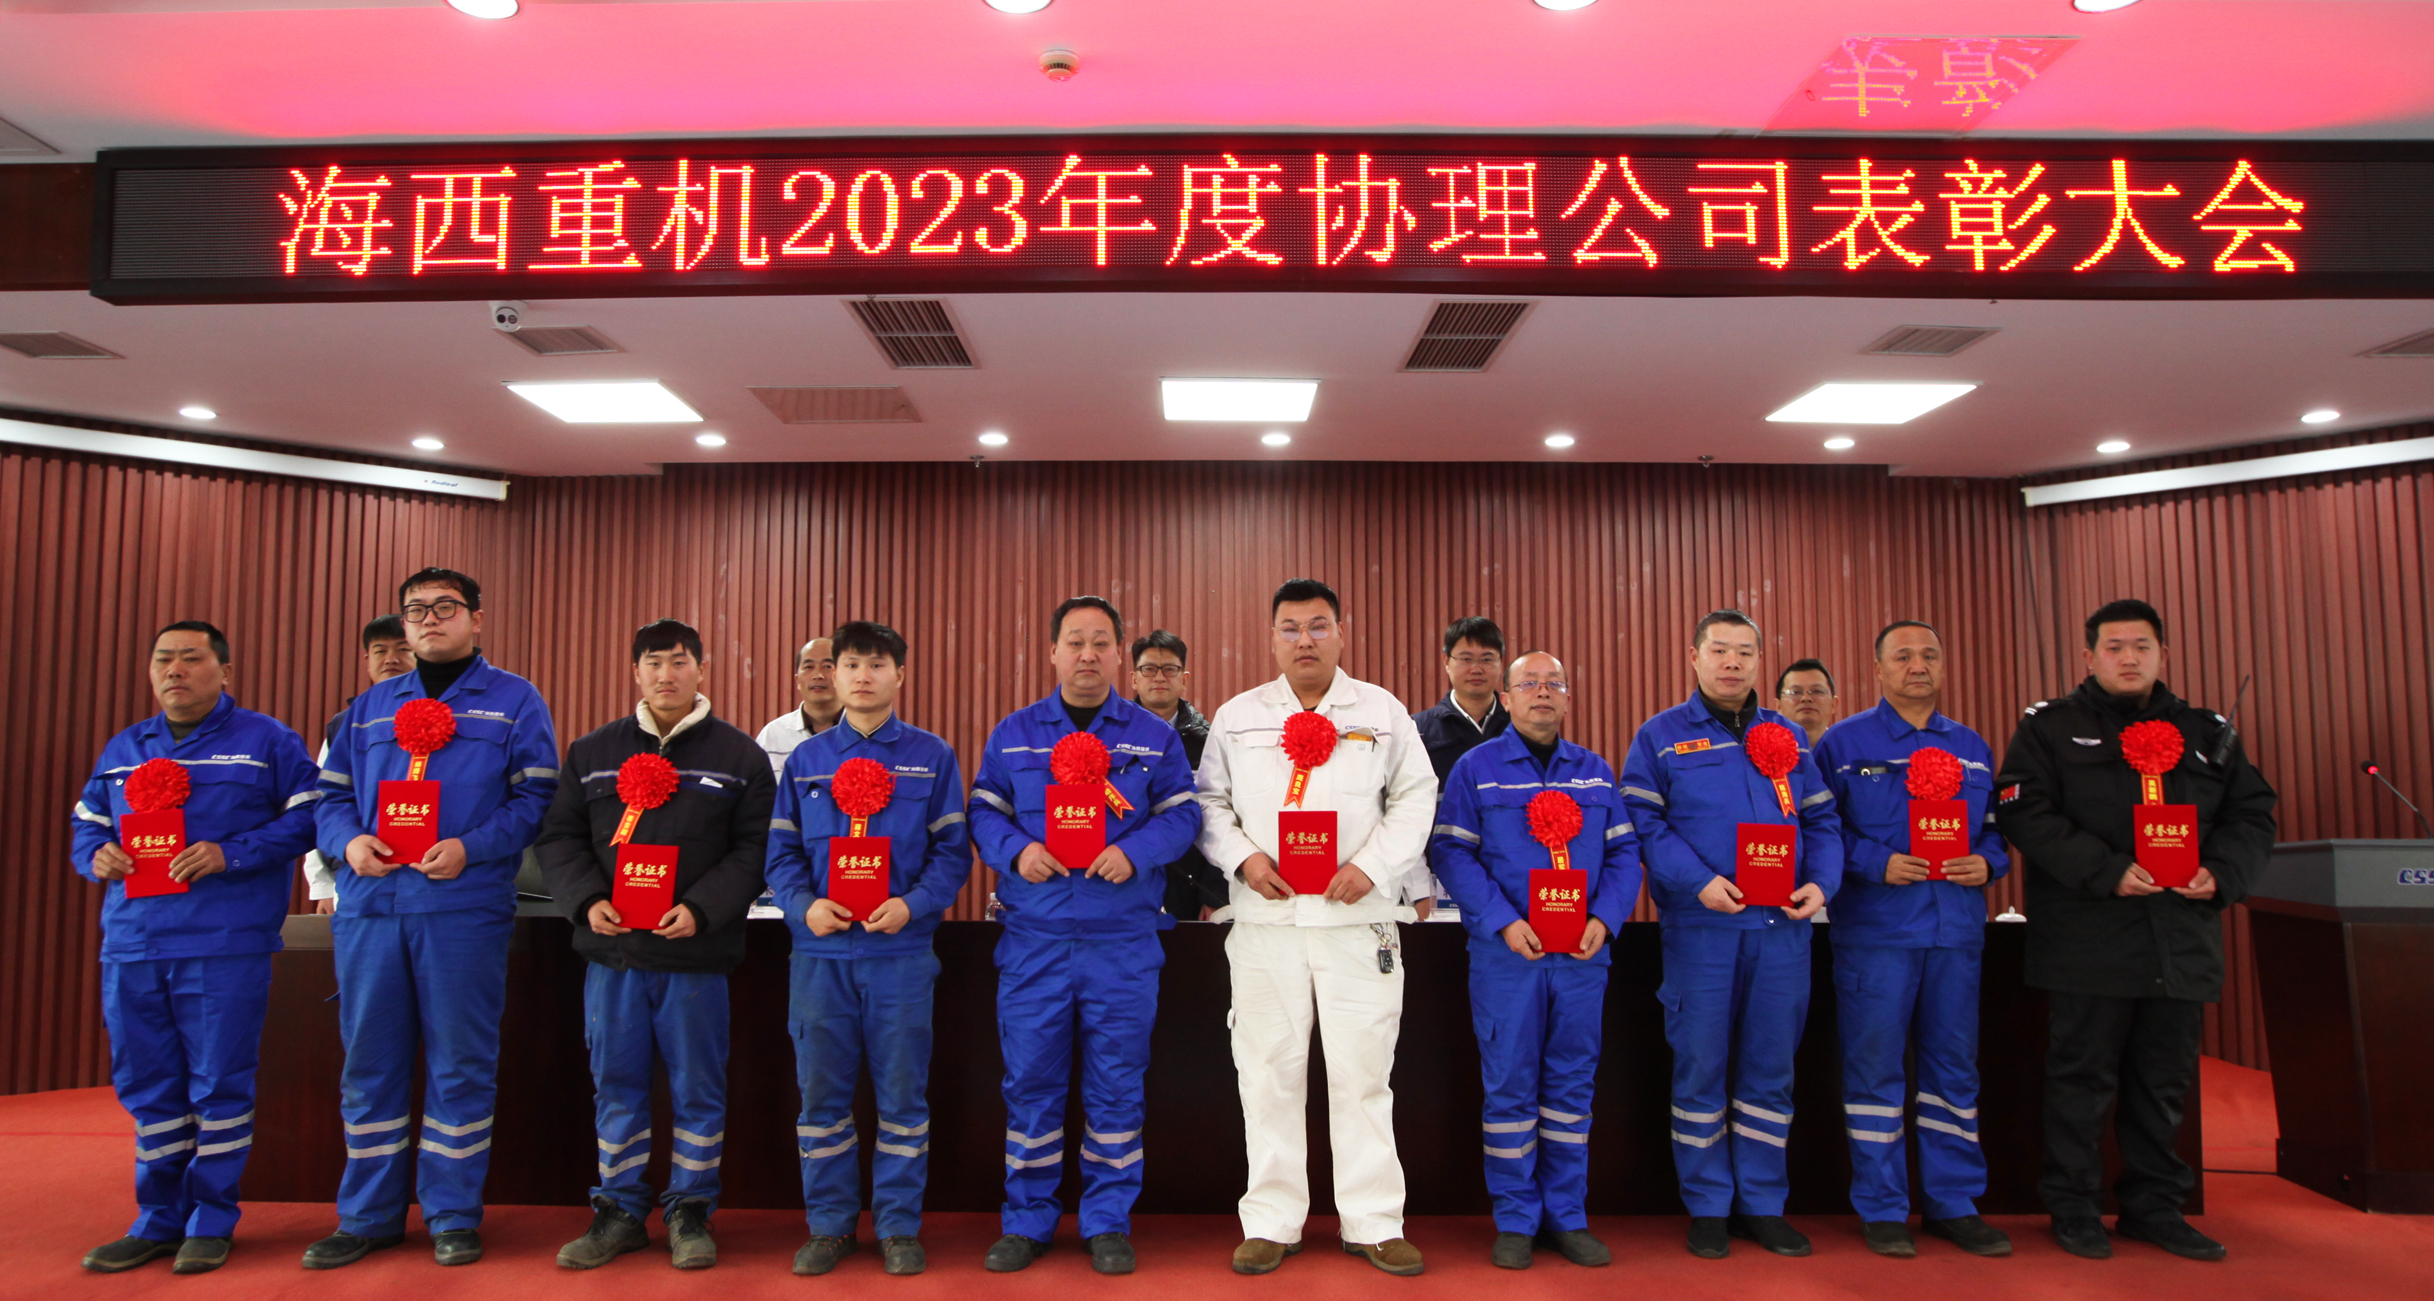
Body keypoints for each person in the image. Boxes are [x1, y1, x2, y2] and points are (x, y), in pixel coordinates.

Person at [1996, 599, 2276, 1263]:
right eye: (2114, 647)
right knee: (2081, 1080)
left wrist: (2220, 873)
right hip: (2089, 937)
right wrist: (2108, 871)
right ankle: (2074, 1206)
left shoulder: (2207, 732)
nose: (2129, 658)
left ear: (2163, 654)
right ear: (2089, 656)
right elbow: (2024, 811)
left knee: (2163, 1083)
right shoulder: (2050, 728)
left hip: (2178, 937)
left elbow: (2253, 813)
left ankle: (2155, 1208)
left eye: (2141, 646)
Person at [307, 567, 559, 1269]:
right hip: (371, 909)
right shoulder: (368, 708)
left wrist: (471, 847)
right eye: (415, 609)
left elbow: (536, 799)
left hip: (461, 908)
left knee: (461, 1065)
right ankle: (368, 1216)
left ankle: (452, 1213)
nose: (427, 619)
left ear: (476, 618)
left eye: (445, 607)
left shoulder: (515, 700)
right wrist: (348, 842)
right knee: (369, 1065)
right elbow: (329, 798)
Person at [1197, 577, 1439, 1277]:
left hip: (1356, 920)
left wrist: (1373, 866)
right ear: (1272, 638)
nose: (1305, 639)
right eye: (1291, 628)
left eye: (1318, 625)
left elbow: (1416, 796)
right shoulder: (1239, 716)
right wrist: (1244, 860)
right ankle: (1271, 1220)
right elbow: (1207, 803)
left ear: (1341, 632)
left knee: (1363, 1074)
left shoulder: (1382, 712)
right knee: (1267, 1072)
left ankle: (1374, 1221)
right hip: (1266, 921)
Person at [70, 622, 320, 1275]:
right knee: (147, 1084)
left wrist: (230, 853)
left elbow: (310, 815)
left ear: (224, 671)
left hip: (223, 942)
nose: (174, 670)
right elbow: (86, 822)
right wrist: (95, 854)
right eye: (163, 659)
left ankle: (211, 1219)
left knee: (219, 1083)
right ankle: (157, 1219)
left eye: (190, 658)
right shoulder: (125, 747)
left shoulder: (266, 741)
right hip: (133, 942)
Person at [969, 597, 1203, 1276]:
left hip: (1121, 942)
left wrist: (1137, 852)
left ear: (1119, 654)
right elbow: (983, 809)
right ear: (1053, 652)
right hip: (1034, 942)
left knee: (1116, 1084)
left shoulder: (1151, 736)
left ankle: (1107, 1220)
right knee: (1030, 1083)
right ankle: (1027, 1220)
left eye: (1101, 642)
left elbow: (1183, 814)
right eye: (1075, 641)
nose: (1088, 654)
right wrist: (1016, 850)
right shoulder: (1015, 734)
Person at [535, 619, 773, 1271]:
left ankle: (691, 1209)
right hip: (613, 957)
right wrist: (587, 899)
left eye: (679, 661)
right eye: (653, 663)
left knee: (698, 1088)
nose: (666, 674)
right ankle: (618, 1211)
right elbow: (558, 837)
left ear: (702, 669)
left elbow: (757, 847)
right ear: (635, 672)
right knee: (616, 1085)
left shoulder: (739, 757)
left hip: (695, 958)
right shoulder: (592, 751)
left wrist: (702, 908)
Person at [1621, 608, 1842, 1261]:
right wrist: (1698, 882)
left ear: (1758, 660)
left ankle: (1763, 1205)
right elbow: (1644, 825)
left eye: (1745, 651)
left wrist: (1822, 883)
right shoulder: (1660, 736)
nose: (1733, 662)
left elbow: (1823, 821)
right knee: (1701, 1066)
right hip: (1704, 929)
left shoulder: (1788, 736)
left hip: (1782, 930)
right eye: (1719, 649)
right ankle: (1709, 1205)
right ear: (1694, 656)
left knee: (1771, 1069)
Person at [765, 621, 971, 1278]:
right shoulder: (806, 760)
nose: (861, 676)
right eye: (850, 663)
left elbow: (951, 854)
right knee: (822, 1098)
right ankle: (829, 1225)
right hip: (820, 956)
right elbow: (780, 855)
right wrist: (803, 905)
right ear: (834, 672)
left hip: (900, 955)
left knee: (903, 1098)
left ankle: (898, 1226)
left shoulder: (932, 756)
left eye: (876, 664)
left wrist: (914, 904)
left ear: (899, 675)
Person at [1427, 651, 1639, 1270]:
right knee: (1510, 1087)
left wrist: (1606, 918)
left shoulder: (1595, 773)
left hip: (1581, 957)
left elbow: (1625, 855)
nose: (1542, 693)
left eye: (1554, 684)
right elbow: (1451, 854)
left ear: (1568, 697)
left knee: (1572, 1086)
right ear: (1508, 696)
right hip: (1508, 956)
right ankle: (1516, 1218)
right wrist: (1502, 920)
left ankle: (1567, 1216)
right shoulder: (1476, 769)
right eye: (1529, 684)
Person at [1814, 621, 2012, 1259]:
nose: (1918, 665)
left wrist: (1989, 862)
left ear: (1944, 666)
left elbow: (1994, 830)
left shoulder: (1973, 747)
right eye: (1903, 656)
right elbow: (1818, 830)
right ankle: (1882, 1208)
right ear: (1877, 670)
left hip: (1955, 934)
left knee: (1953, 1070)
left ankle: (1954, 1203)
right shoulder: (1843, 744)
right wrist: (1875, 862)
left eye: (1930, 655)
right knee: (1874, 1070)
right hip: (1876, 934)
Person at [306, 616, 415, 914]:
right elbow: (323, 800)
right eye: (380, 651)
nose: (391, 659)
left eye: (402, 649)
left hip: (432, 874)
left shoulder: (447, 715)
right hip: (358, 877)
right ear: (368, 661)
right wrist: (323, 885)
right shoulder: (345, 724)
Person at [1132, 629, 1226, 920]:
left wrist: (1215, 893)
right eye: (1149, 669)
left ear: (1184, 679)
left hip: (1193, 890)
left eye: (1169, 669)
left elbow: (1222, 812)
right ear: (1134, 678)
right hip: (1125, 880)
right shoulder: (1110, 741)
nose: (1159, 677)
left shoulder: (1208, 742)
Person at [1412, 616, 1509, 784]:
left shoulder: (1520, 724)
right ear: (1446, 661)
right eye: (1466, 659)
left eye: (1487, 659)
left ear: (1500, 662)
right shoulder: (1417, 729)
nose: (1476, 669)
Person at [757, 637, 840, 776]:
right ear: (797, 681)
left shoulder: (861, 731)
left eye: (827, 666)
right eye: (809, 667)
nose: (818, 675)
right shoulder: (773, 735)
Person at [1775, 659, 1839, 748]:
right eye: (1795, 692)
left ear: (1834, 704)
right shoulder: (1764, 753)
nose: (1806, 698)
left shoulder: (1848, 750)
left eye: (1817, 691)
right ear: (1778, 706)